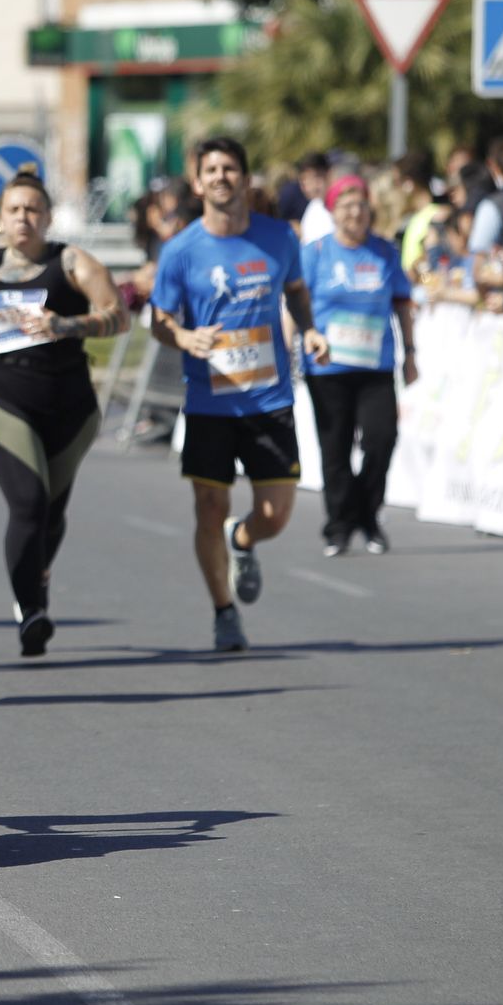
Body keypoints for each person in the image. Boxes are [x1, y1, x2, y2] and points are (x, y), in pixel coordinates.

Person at [150, 136, 330, 653]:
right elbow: (160, 319)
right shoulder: (181, 250)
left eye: (230, 168)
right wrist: (184, 337)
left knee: (275, 516)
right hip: (209, 401)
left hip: (268, 401)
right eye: (212, 169)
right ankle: (224, 611)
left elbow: (295, 290)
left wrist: (310, 328)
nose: (221, 177)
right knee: (209, 506)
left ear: (245, 178)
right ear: (198, 181)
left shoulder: (278, 238)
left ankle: (243, 539)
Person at [0, 171, 129, 657]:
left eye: (33, 209)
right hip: (0, 398)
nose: (23, 217)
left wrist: (65, 324)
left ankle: (37, 584)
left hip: (70, 407)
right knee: (28, 501)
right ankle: (32, 612)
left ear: (47, 218)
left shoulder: (71, 261)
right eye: (14, 210)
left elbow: (118, 314)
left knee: (51, 509)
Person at [301, 176, 417, 557]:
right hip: (328, 366)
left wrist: (411, 353)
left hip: (375, 365)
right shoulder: (316, 253)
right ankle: (338, 525)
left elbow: (402, 302)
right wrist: (298, 338)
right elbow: (296, 304)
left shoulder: (384, 251)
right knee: (335, 448)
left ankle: (367, 514)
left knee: (381, 439)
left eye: (361, 205)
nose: (355, 213)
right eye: (347, 206)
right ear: (333, 213)